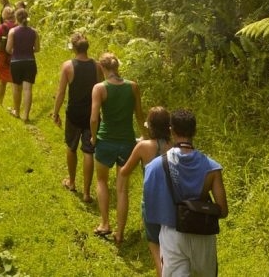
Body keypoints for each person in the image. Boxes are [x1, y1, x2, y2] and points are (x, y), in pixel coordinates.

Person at [143, 109, 228, 276]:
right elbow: (223, 211)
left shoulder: (154, 167)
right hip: (203, 234)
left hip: (172, 234)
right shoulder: (212, 168)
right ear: (194, 131)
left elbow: (150, 210)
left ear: (171, 130)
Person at [90, 52, 143, 238]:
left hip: (105, 141)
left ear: (102, 67)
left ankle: (105, 223)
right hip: (127, 143)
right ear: (117, 67)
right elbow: (139, 115)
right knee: (122, 189)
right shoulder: (133, 86)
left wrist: (94, 138)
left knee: (102, 181)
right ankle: (120, 233)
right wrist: (144, 136)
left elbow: (94, 118)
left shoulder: (99, 88)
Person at [117, 106, 172, 274]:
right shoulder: (175, 145)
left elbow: (124, 171)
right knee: (170, 246)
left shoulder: (143, 147)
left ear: (151, 127)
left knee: (155, 245)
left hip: (151, 203)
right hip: (173, 202)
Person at [52, 33, 103, 202]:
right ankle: (87, 193)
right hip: (92, 115)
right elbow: (102, 89)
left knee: (71, 147)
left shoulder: (68, 66)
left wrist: (55, 112)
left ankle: (72, 182)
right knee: (89, 152)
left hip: (73, 114)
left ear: (74, 48)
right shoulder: (97, 66)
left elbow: (61, 92)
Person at [6, 8, 39, 121]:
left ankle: (17, 111)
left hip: (16, 62)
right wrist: (28, 50)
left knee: (16, 88)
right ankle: (26, 116)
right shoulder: (34, 32)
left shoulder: (12, 32)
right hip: (30, 62)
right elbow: (37, 48)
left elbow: (8, 49)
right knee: (27, 89)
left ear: (16, 18)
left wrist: (16, 51)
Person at [0, 7, 17, 109]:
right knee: (15, 82)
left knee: (3, 81)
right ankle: (16, 106)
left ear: (3, 16)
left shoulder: (1, 28)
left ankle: (1, 103)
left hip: (3, 57)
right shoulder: (17, 26)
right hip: (16, 55)